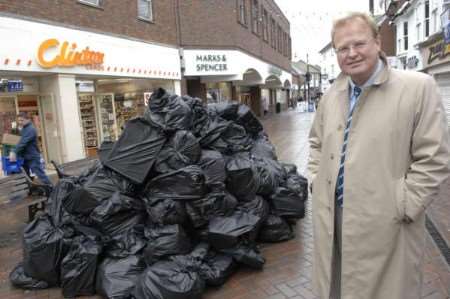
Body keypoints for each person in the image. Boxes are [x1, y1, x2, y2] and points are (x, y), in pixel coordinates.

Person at [307, 12, 450, 299]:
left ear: (377, 41)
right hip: (333, 217)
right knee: (338, 286)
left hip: (388, 222)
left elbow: (434, 157)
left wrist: (405, 205)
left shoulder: (418, 87)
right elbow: (316, 143)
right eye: (342, 48)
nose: (351, 54)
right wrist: (315, 180)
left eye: (359, 44)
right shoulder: (331, 94)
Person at [9, 112, 52, 186]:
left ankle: (52, 189)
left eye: (22, 120)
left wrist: (14, 152)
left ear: (28, 119)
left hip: (32, 157)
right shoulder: (24, 128)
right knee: (26, 175)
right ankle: (30, 189)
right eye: (18, 120)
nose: (20, 122)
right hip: (26, 157)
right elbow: (20, 141)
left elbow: (23, 142)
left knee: (40, 174)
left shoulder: (30, 129)